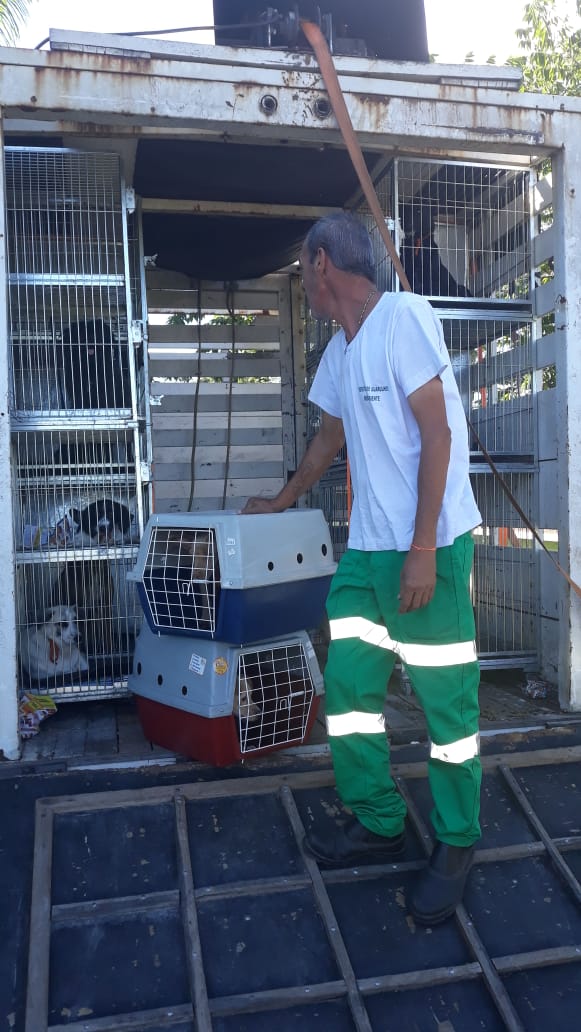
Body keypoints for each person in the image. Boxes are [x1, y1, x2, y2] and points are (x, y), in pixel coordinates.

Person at [242, 211, 482, 925]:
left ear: (323, 263)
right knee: (347, 690)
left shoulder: (403, 318)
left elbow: (438, 433)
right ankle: (379, 820)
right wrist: (282, 499)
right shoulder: (340, 352)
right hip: (367, 552)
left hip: (426, 548)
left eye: (301, 267)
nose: (301, 280)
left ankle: (457, 840)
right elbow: (328, 438)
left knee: (446, 703)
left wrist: (422, 551)